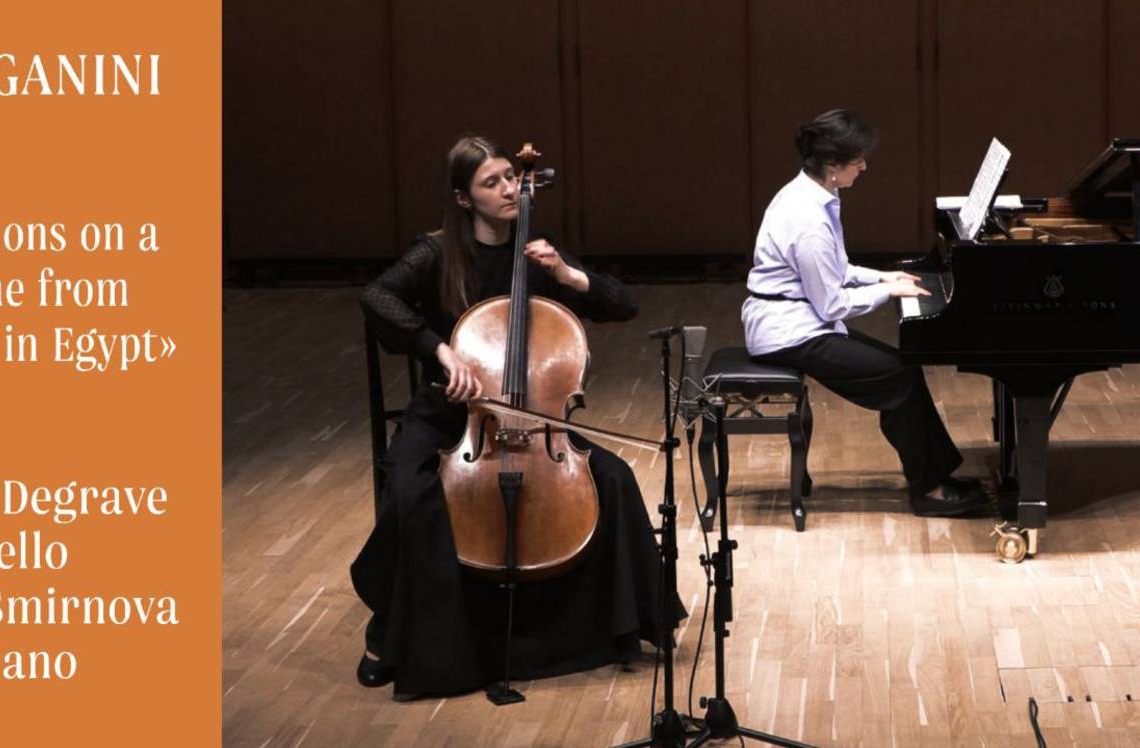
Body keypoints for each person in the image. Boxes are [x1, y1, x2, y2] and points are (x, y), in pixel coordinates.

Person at [352, 135, 682, 698]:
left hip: (534, 419)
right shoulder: (435, 254)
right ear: (464, 199)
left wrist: (567, 274)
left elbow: (623, 304)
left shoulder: (536, 253)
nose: (509, 189)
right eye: (492, 182)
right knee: (410, 493)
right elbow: (376, 297)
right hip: (451, 414)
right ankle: (387, 632)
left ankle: (623, 624)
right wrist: (439, 349)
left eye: (511, 177)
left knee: (614, 478)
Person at [742, 109, 985, 517]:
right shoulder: (806, 218)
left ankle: (934, 478)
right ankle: (930, 490)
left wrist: (884, 276)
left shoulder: (814, 195)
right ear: (832, 166)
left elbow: (836, 268)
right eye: (858, 160)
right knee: (899, 375)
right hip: (788, 332)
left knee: (902, 370)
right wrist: (886, 291)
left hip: (802, 321)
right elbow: (832, 303)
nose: (864, 166)